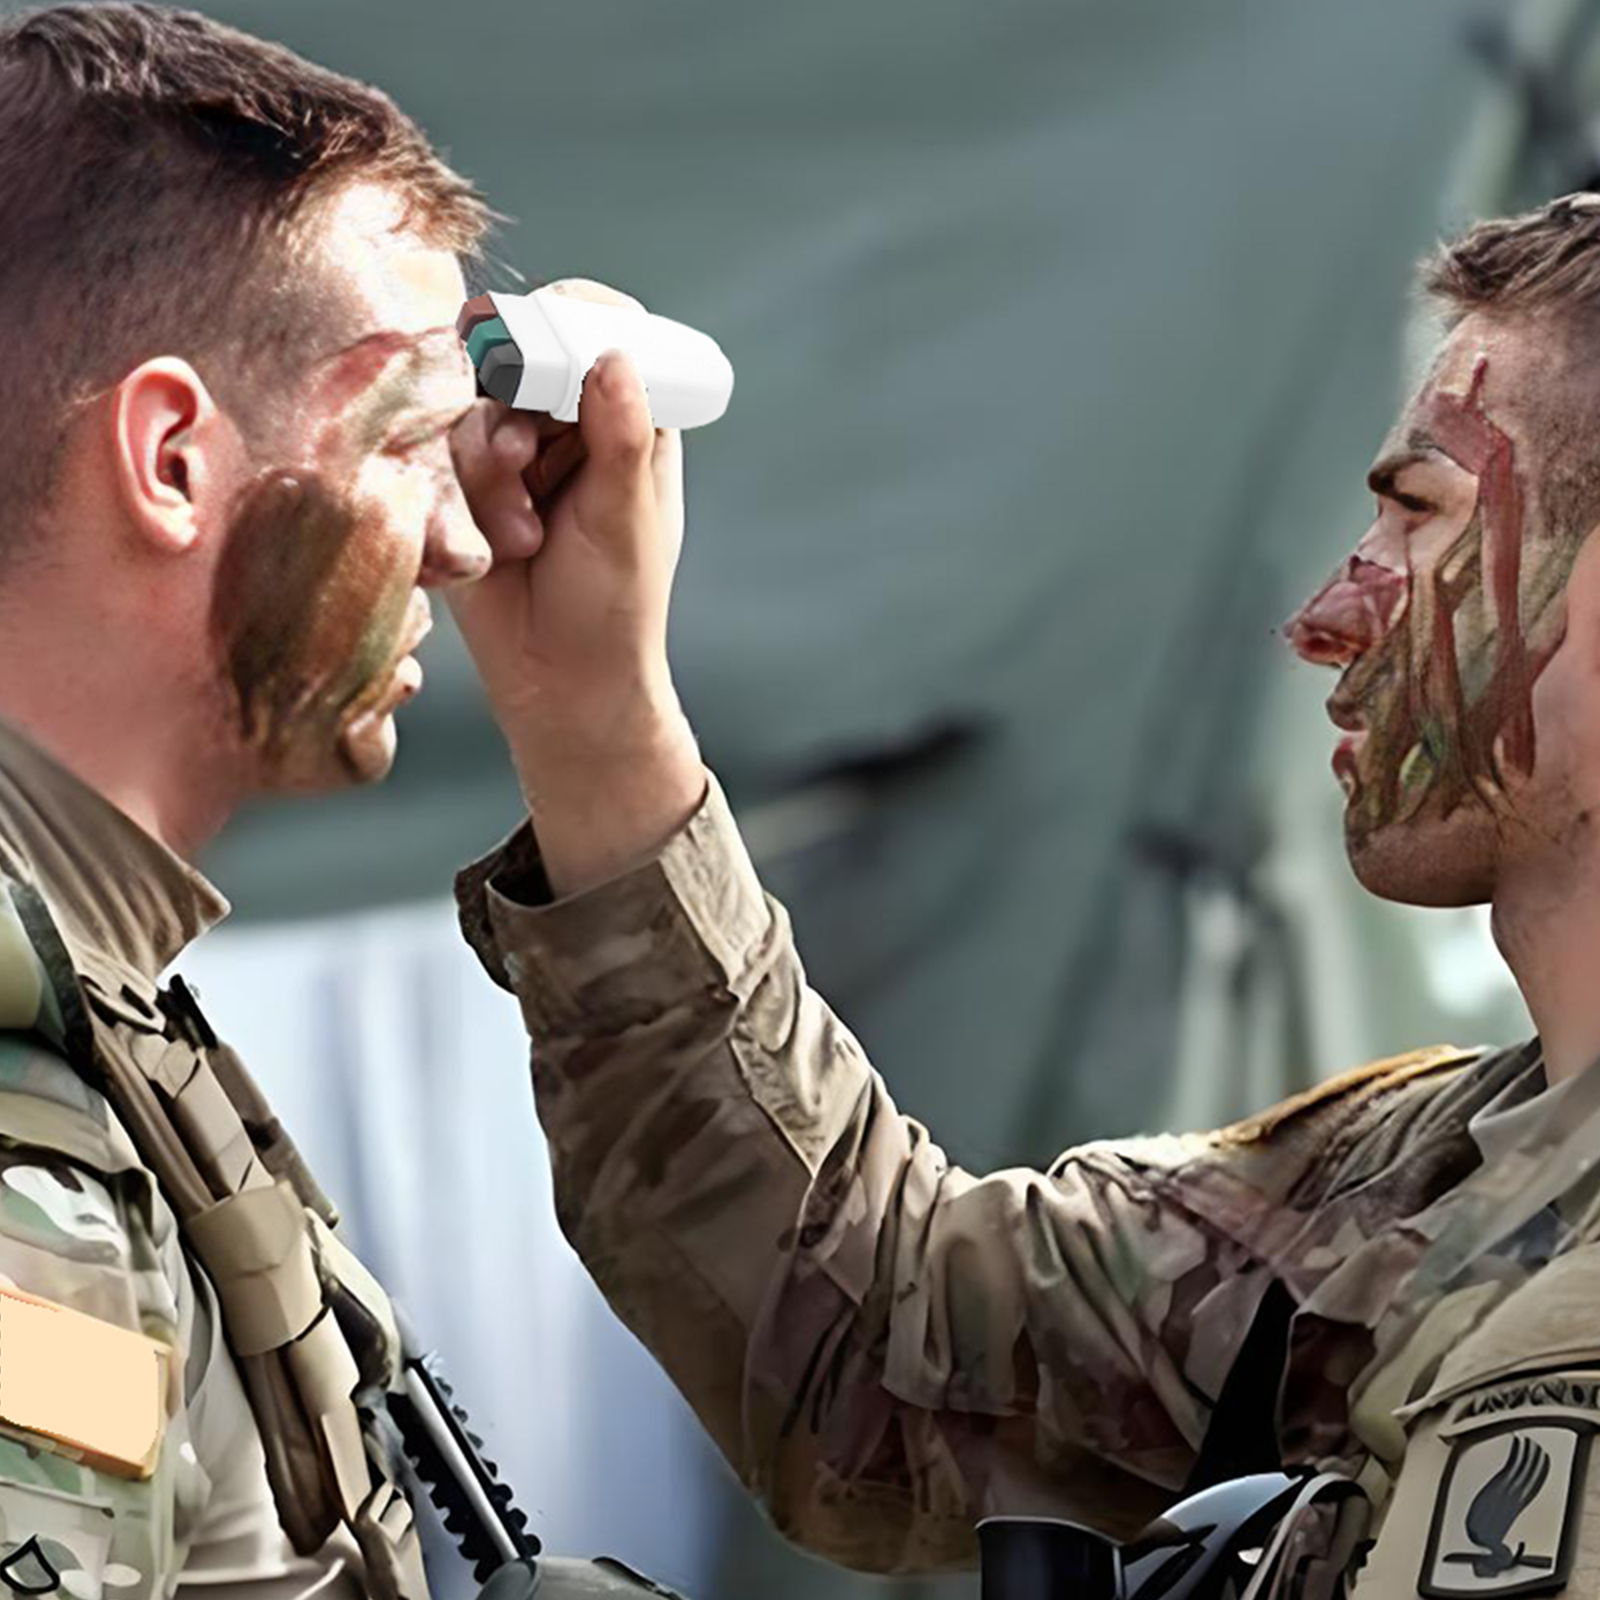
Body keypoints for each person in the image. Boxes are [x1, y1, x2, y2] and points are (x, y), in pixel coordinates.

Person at [449, 196, 1600, 1598]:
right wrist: (593, 715)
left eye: (1418, 512)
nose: (1326, 619)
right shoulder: (1411, 1186)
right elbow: (877, 1339)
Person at [0, 4, 690, 1598]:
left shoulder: (99, 1006)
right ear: (173, 460)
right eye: (409, 440)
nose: (464, 540)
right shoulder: (31, 1125)